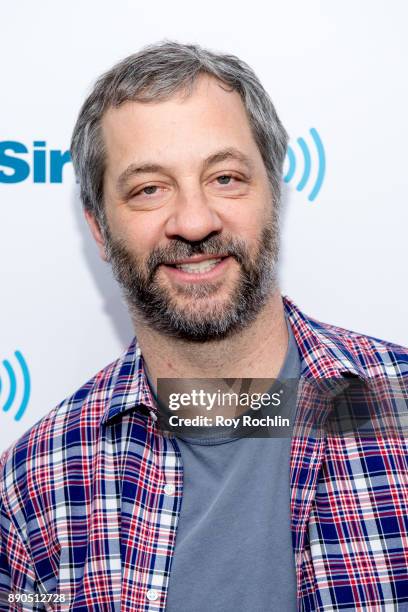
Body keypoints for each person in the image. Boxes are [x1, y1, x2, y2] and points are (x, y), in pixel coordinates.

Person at [0, 40, 407, 612]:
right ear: (98, 229)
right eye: (149, 189)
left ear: (274, 194)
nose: (194, 222)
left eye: (225, 178)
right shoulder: (33, 487)